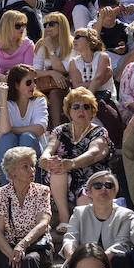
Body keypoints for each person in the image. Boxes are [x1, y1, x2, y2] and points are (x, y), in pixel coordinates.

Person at [39, 87, 111, 230]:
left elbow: (93, 153)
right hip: (64, 180)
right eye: (76, 106)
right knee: (57, 169)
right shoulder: (60, 130)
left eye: (86, 106)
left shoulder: (99, 131)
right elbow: (49, 148)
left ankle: (79, 228)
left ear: (92, 111)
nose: (81, 110)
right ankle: (64, 218)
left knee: (84, 197)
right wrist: (45, 159)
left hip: (92, 178)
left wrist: (71, 163)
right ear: (69, 110)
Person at [61, 171, 134, 268]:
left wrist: (100, 259)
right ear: (89, 192)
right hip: (83, 260)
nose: (103, 189)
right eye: (97, 186)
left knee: (121, 258)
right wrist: (72, 254)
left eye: (109, 185)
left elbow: (123, 243)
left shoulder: (126, 214)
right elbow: (70, 237)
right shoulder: (79, 212)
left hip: (112, 263)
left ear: (115, 191)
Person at [0, 63, 47, 162]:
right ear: (16, 85)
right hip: (8, 151)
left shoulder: (39, 100)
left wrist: (11, 129)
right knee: (7, 138)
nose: (33, 85)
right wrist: (3, 98)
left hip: (34, 152)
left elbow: (39, 129)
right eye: (28, 82)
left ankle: (32, 176)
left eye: (35, 81)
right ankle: (8, 177)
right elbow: (4, 129)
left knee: (27, 137)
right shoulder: (6, 103)